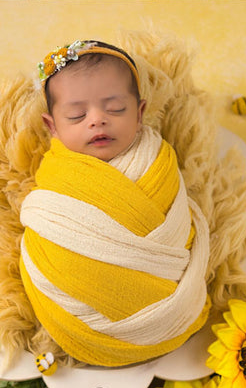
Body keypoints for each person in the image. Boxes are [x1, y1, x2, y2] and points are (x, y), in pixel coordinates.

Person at [19, 40, 212, 367]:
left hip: (169, 300)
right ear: (52, 126)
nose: (97, 120)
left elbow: (178, 221)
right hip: (80, 323)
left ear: (139, 115)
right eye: (77, 114)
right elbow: (46, 222)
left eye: (115, 109)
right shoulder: (57, 172)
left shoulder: (157, 161)